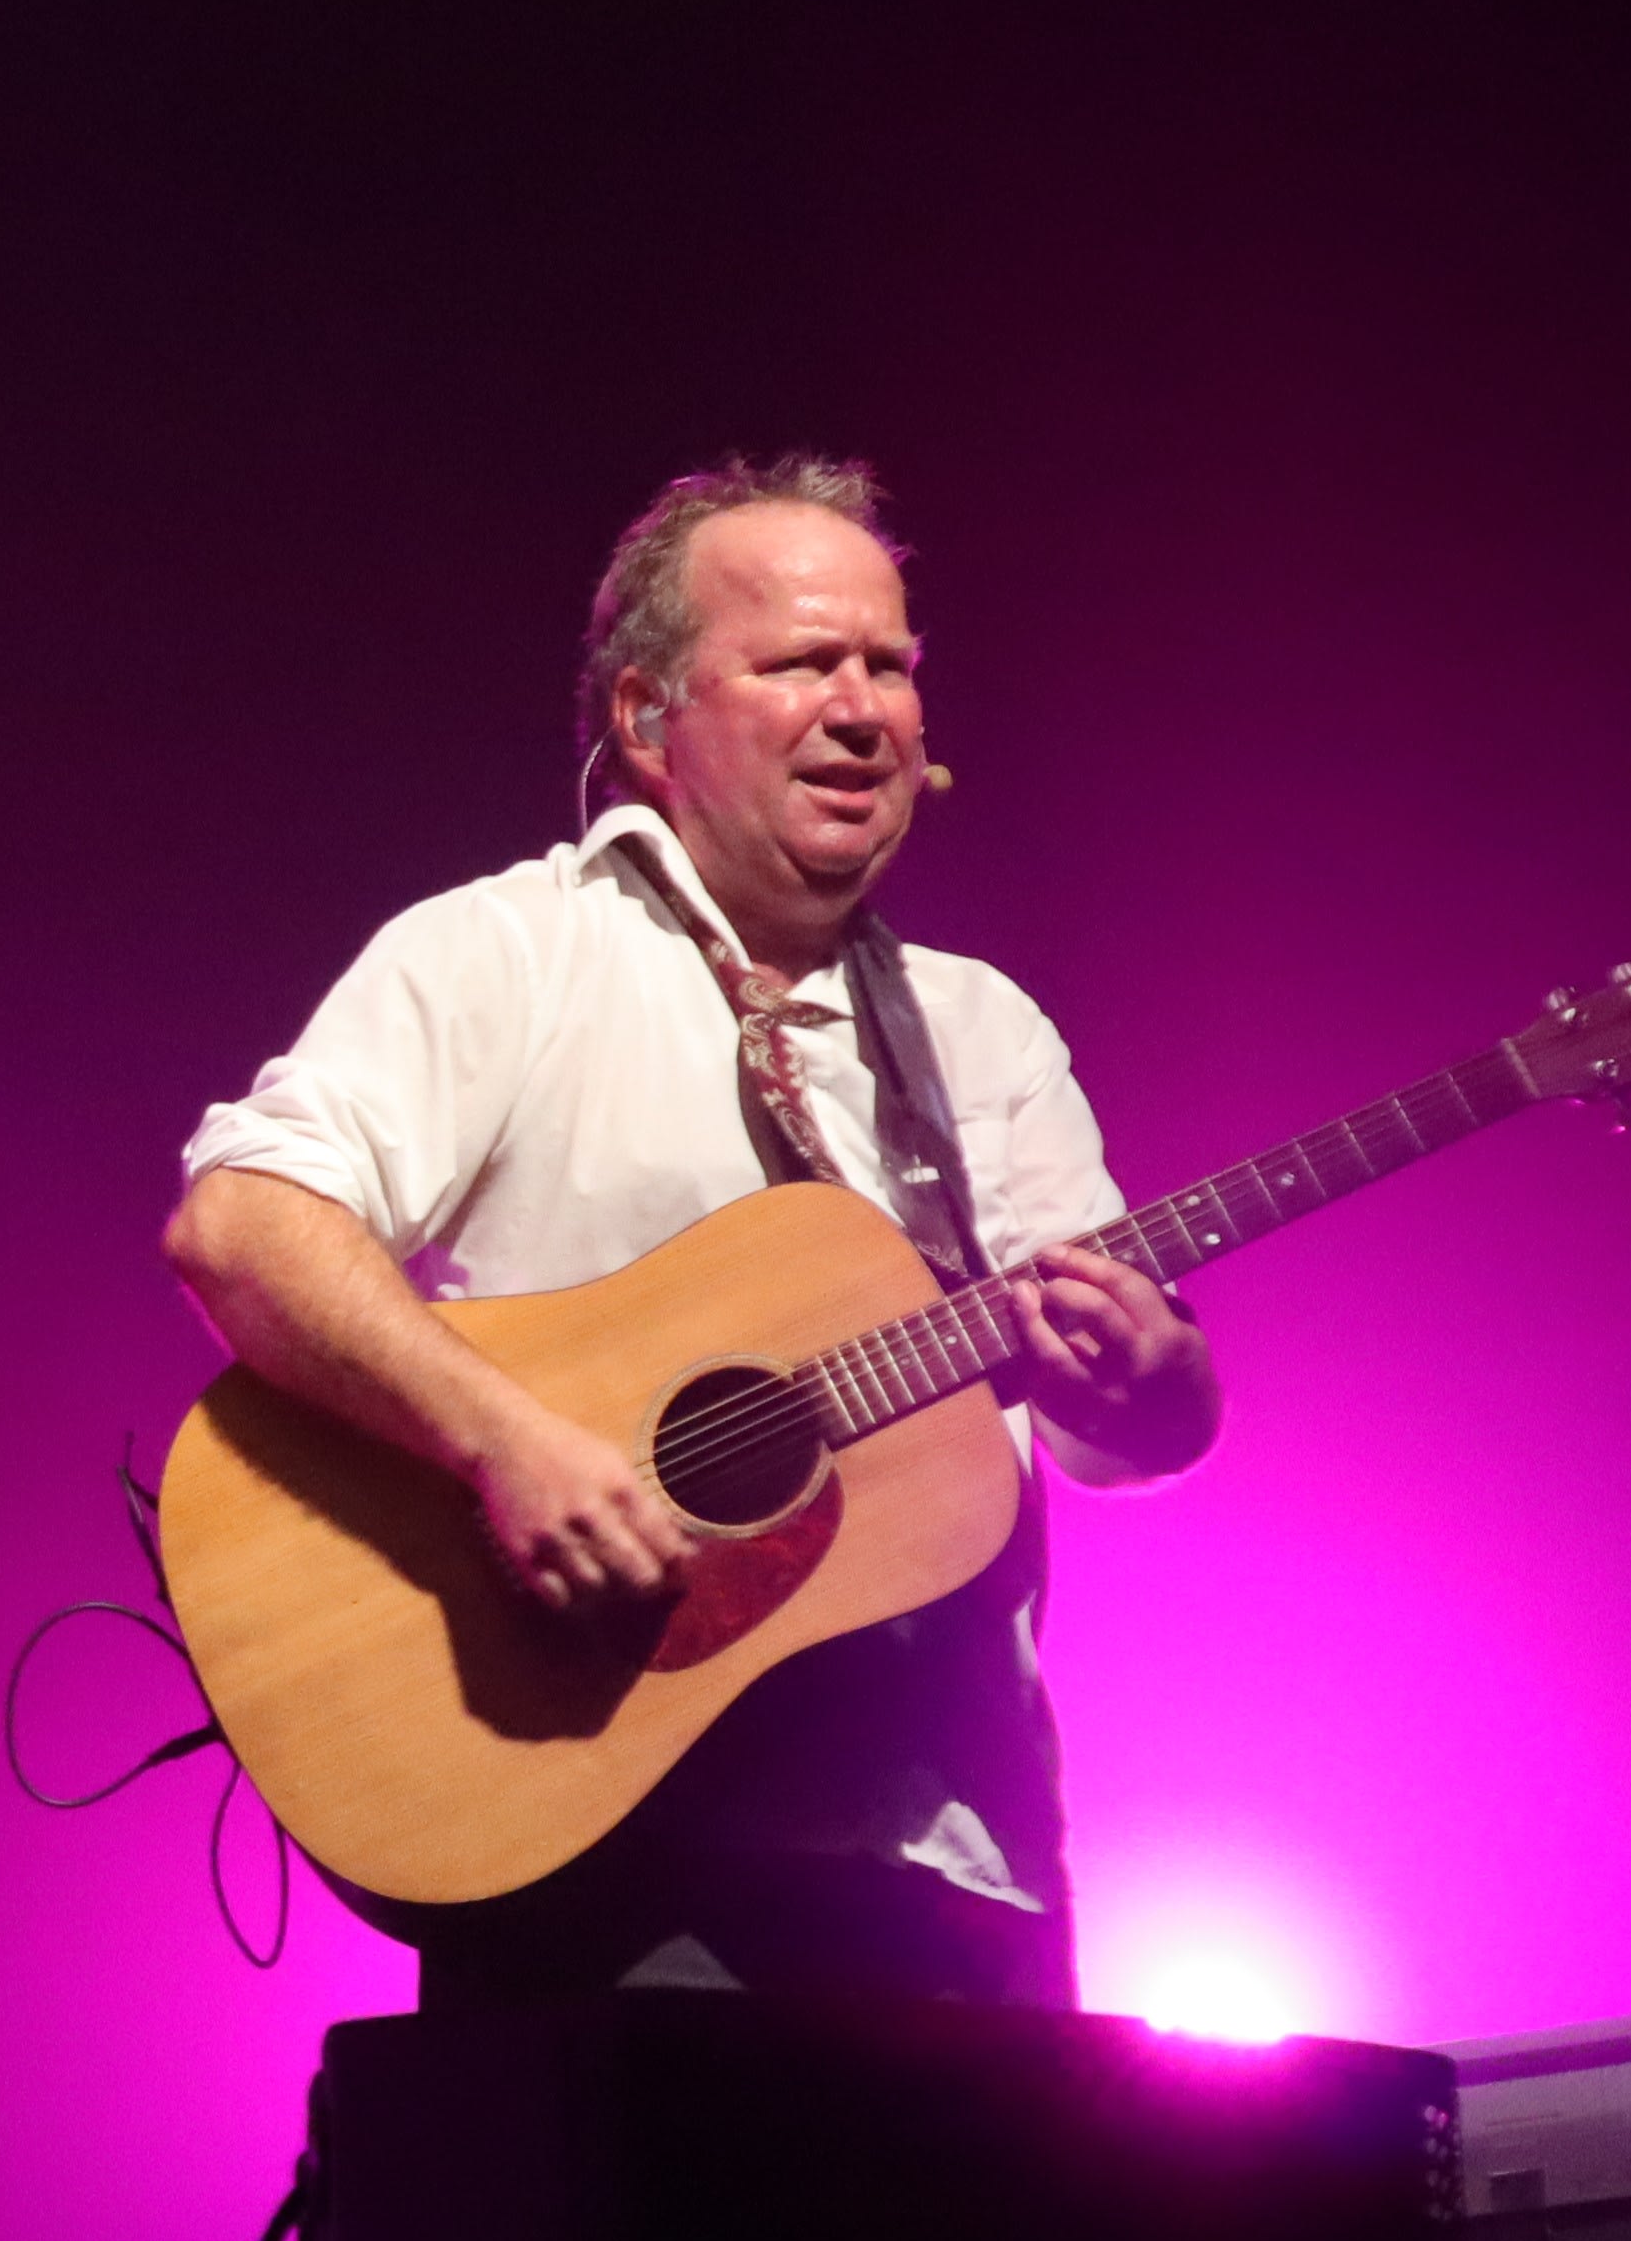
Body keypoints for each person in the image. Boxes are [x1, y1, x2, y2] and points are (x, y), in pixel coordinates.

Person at [162, 456, 1219, 2009]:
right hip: (595, 1859)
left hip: (955, 1872)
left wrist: (1150, 1380)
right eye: (801, 663)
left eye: (889, 666)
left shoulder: (981, 1033)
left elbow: (1122, 1441)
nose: (861, 710)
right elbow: (244, 1225)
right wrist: (506, 1447)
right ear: (649, 720)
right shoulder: (513, 954)